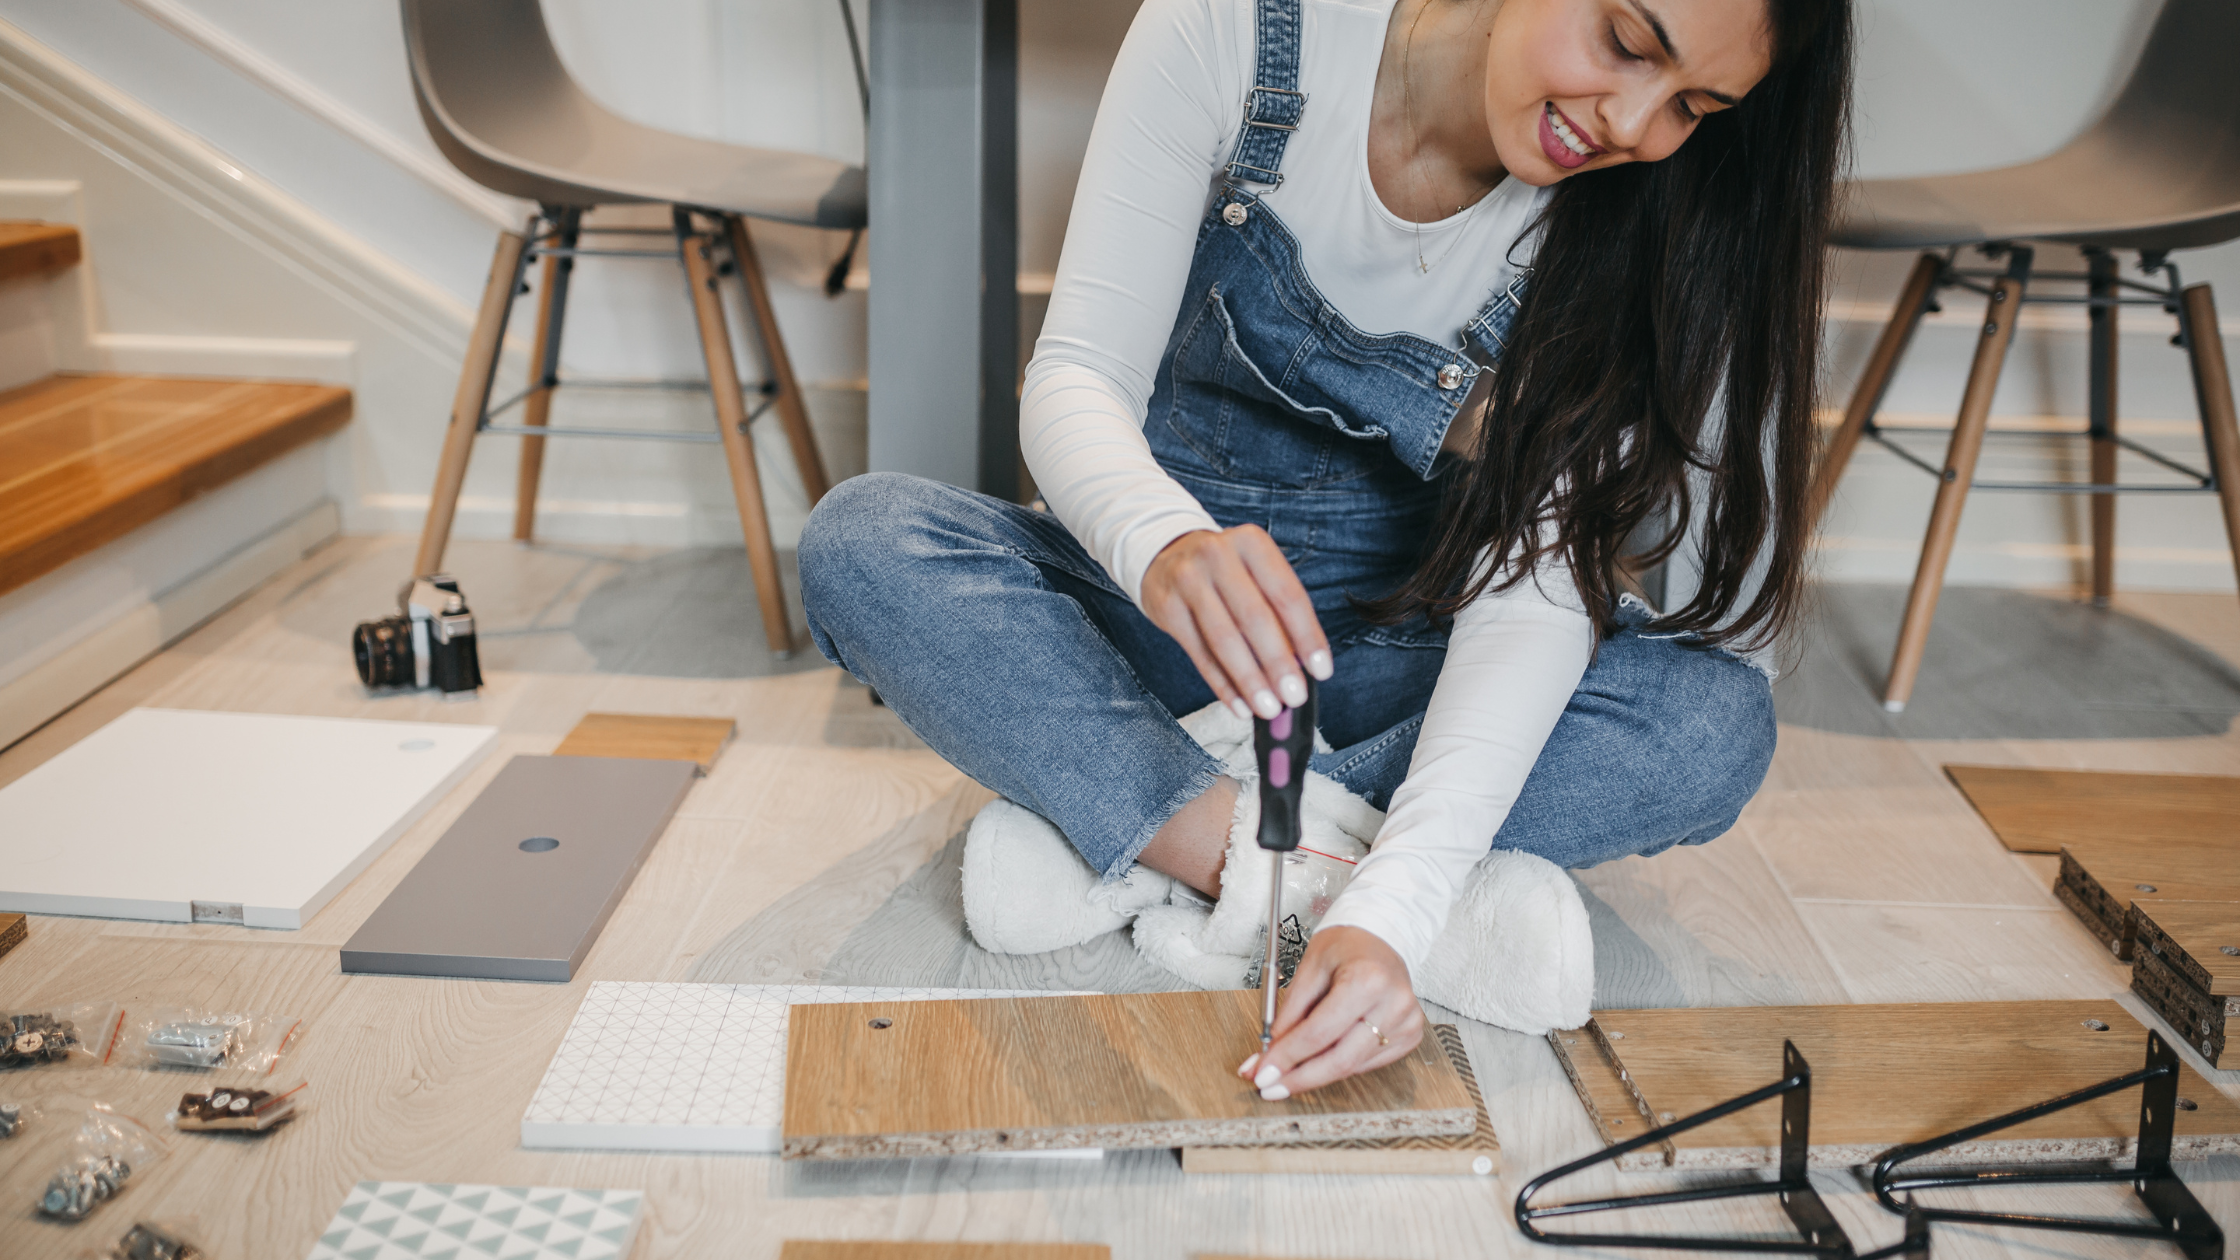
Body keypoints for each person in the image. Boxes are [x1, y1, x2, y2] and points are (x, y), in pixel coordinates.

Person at [801, 0, 1851, 1098]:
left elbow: (1528, 596)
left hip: (1390, 667)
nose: (1631, 123)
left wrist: (1389, 913)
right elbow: (1074, 374)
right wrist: (1165, 545)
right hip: (1158, 635)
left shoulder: (1629, 221)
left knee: (1708, 721)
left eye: (1690, 104)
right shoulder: (1234, 32)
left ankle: (1169, 839)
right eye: (1628, 44)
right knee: (865, 542)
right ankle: (1344, 877)